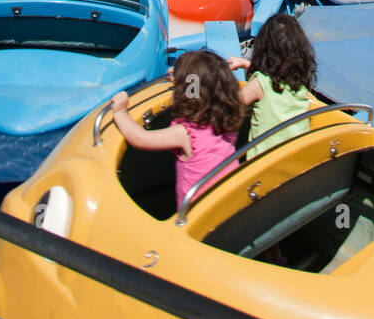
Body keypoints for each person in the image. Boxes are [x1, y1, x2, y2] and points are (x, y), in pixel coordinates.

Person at [110, 50, 243, 208]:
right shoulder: (226, 122)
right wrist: (181, 77)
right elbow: (195, 87)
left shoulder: (186, 133)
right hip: (228, 201)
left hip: (197, 211)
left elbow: (140, 138)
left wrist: (120, 112)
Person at [228, 13, 317, 159]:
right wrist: (246, 65)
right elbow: (276, 81)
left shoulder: (259, 84)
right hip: (295, 161)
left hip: (264, 167)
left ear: (262, 49)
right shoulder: (299, 85)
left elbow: (230, 105)